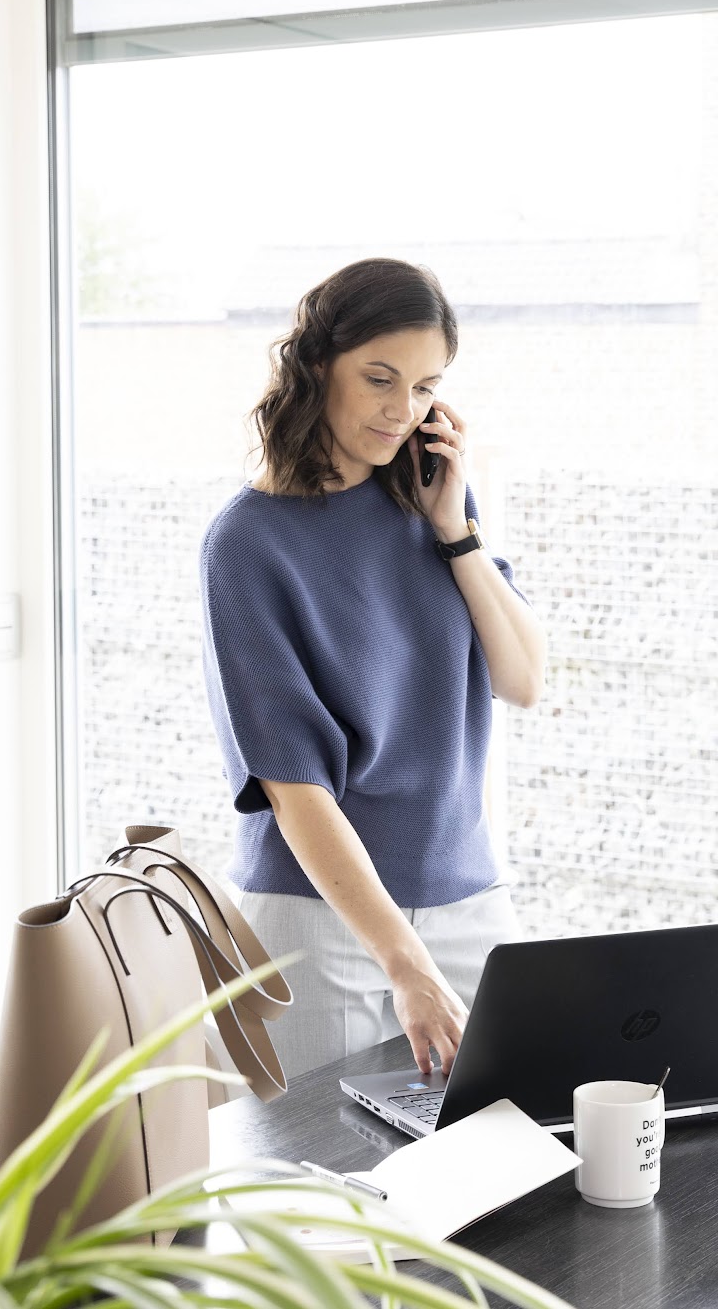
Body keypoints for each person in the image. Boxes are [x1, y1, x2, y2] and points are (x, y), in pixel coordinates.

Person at [197, 257, 548, 1083]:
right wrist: (404, 961)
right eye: (379, 378)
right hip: (323, 923)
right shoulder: (245, 546)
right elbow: (295, 790)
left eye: (426, 387)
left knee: (513, 1162)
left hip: (466, 895)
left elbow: (524, 678)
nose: (403, 410)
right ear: (317, 366)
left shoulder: (430, 502)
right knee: (322, 1192)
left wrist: (454, 526)